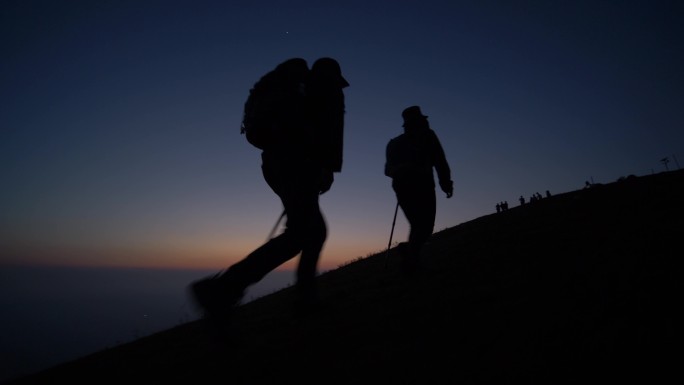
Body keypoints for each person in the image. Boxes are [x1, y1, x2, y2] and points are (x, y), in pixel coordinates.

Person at [190, 57, 349, 328]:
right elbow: (325, 130)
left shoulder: (293, 87)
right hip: (298, 162)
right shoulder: (322, 85)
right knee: (303, 233)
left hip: (278, 162)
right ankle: (223, 289)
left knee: (310, 232)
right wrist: (324, 166)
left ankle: (302, 299)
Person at [384, 105, 453, 275]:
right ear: (421, 121)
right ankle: (411, 262)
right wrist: (446, 183)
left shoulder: (394, 143)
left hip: (404, 188)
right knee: (424, 226)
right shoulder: (427, 136)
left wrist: (399, 170)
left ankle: (410, 256)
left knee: (419, 225)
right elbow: (440, 160)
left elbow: (388, 170)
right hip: (421, 186)